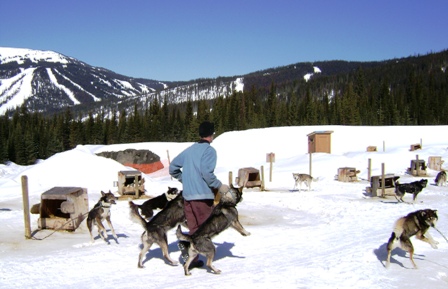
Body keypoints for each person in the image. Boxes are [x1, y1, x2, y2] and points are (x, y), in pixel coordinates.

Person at [169, 121, 229, 269]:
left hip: (188, 197)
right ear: (211, 134)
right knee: (206, 228)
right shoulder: (209, 151)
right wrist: (220, 186)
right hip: (202, 197)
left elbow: (172, 168)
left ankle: (193, 258)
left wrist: (186, 180)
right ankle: (194, 250)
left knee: (194, 228)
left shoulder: (189, 150)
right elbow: (207, 173)